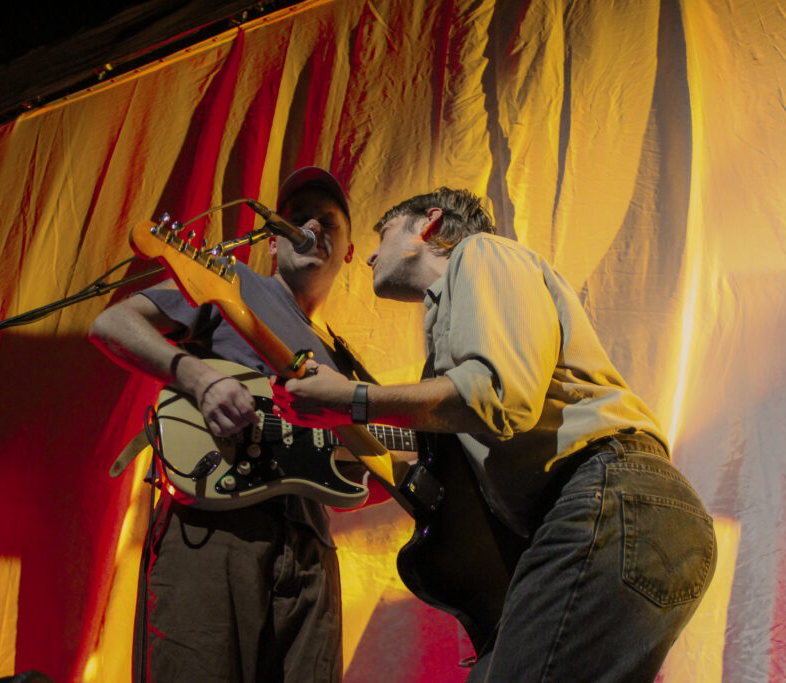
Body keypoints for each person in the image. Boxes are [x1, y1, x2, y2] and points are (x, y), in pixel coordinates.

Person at [271, 187, 717, 682]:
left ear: (429, 224)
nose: (372, 253)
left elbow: (500, 396)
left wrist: (353, 400)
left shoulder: (482, 253)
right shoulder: (448, 338)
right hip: (630, 518)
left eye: (385, 233)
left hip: (612, 501)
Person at [90, 167, 372, 683]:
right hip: (214, 523)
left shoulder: (341, 360)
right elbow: (112, 324)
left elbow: (364, 473)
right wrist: (198, 378)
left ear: (349, 251)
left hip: (309, 546)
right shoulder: (231, 284)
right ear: (271, 242)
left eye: (327, 220)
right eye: (295, 218)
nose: (310, 226)